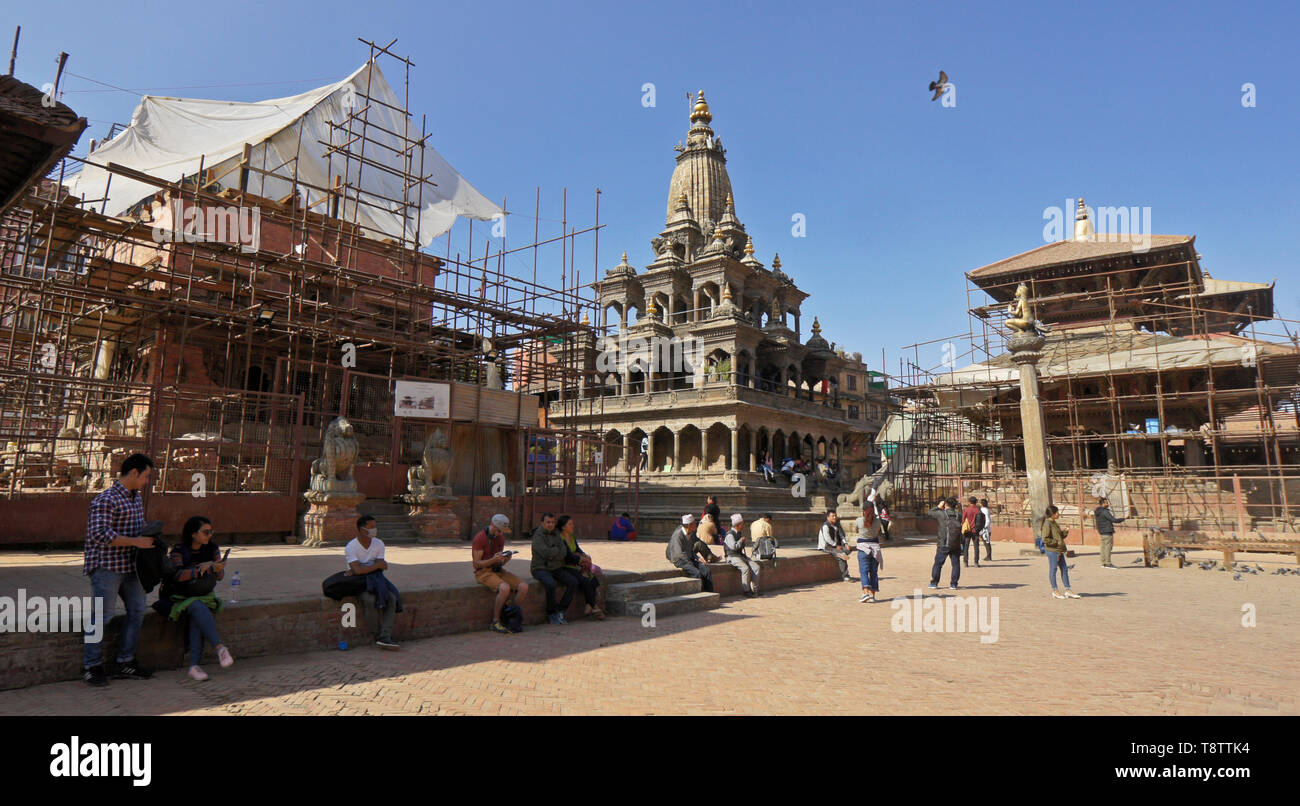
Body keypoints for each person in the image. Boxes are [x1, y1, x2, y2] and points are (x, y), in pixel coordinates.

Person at [82, 453, 156, 686]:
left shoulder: (135, 499)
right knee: (102, 617)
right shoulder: (107, 499)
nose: (146, 481)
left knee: (137, 612)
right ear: (134, 473)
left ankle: (125, 662)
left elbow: (138, 526)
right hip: (107, 567)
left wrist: (150, 534)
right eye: (145, 476)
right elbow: (100, 534)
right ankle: (91, 666)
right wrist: (136, 542)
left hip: (131, 567)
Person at [162, 516, 234, 680]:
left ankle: (194, 666)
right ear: (193, 534)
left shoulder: (212, 548)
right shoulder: (179, 550)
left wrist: (218, 567)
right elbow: (177, 576)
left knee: (197, 613)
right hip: (181, 595)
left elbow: (220, 577)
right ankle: (220, 648)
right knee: (195, 606)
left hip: (203, 594)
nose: (209, 535)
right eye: (206, 532)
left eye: (211, 532)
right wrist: (201, 570)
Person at [345, 515, 401, 650]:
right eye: (370, 527)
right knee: (369, 600)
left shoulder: (378, 543)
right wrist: (374, 566)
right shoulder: (351, 546)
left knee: (392, 598)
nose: (373, 530)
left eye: (374, 527)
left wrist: (363, 568)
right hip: (359, 582)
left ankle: (385, 635)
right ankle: (377, 635)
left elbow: (376, 567)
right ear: (361, 529)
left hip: (376, 579)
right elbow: (359, 571)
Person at [472, 514, 529, 634]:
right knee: (505, 588)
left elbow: (500, 563)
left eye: (503, 532)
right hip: (483, 572)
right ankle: (495, 621)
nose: (501, 534)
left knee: (523, 586)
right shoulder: (480, 538)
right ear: (492, 525)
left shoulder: (500, 538)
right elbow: (477, 564)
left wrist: (506, 559)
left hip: (497, 570)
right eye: (499, 531)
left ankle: (510, 614)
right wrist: (493, 560)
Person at [531, 512, 582, 625]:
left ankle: (561, 609)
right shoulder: (538, 535)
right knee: (550, 584)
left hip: (556, 567)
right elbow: (544, 552)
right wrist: (555, 552)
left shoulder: (556, 534)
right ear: (542, 523)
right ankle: (551, 613)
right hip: (540, 568)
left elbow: (564, 551)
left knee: (573, 582)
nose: (550, 524)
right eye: (548, 522)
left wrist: (553, 553)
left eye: (553, 522)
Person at [557, 515, 604, 619]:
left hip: (576, 564)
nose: (572, 526)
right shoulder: (560, 539)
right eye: (570, 524)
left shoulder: (571, 536)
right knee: (584, 580)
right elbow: (568, 556)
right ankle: (594, 606)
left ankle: (588, 604)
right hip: (566, 566)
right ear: (563, 527)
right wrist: (581, 560)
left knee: (593, 579)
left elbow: (577, 549)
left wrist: (585, 556)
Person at [666, 514, 714, 592]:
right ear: (690, 525)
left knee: (707, 571)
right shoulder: (678, 535)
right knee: (697, 573)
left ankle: (709, 593)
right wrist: (691, 563)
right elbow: (679, 554)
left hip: (689, 558)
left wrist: (698, 558)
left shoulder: (691, 533)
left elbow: (691, 550)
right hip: (679, 560)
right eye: (694, 523)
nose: (696, 524)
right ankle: (698, 593)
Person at [1042, 505, 1080, 599]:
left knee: (1064, 569)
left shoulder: (1054, 523)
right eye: (1057, 512)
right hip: (1053, 551)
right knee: (1053, 569)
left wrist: (1065, 531)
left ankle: (1068, 590)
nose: (1059, 514)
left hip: (1059, 550)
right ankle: (1055, 590)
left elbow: (1059, 536)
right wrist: (1057, 542)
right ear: (1053, 514)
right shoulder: (1047, 524)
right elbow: (1045, 539)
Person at [927, 497, 963, 590]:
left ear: (945, 504)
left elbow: (929, 513)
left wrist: (939, 506)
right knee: (955, 564)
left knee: (938, 564)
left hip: (943, 543)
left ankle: (934, 583)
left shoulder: (942, 514)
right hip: (955, 544)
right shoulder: (959, 515)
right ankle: (954, 584)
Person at [723, 513, 761, 596]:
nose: (743, 525)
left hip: (740, 556)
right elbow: (734, 547)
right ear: (738, 525)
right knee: (745, 569)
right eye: (742, 524)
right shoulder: (730, 535)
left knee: (756, 567)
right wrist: (741, 540)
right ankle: (746, 591)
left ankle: (755, 590)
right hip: (732, 556)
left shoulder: (738, 533)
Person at [856, 507, 884, 602]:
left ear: (863, 511)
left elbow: (856, 530)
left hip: (863, 547)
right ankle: (872, 595)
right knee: (873, 572)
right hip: (875, 548)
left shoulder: (859, 520)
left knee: (864, 571)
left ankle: (865, 593)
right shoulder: (877, 521)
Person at [817, 510, 853, 582]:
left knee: (848, 550)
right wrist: (836, 545)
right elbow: (827, 539)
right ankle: (845, 576)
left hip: (836, 546)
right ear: (828, 517)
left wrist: (845, 543)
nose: (834, 517)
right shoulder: (825, 526)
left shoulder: (837, 525)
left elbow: (841, 535)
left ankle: (840, 555)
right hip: (827, 547)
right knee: (842, 556)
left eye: (835, 515)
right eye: (832, 516)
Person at [1094, 497, 1125, 569]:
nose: (1108, 504)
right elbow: (1113, 520)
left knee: (1103, 548)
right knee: (1108, 548)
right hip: (1107, 531)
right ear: (1103, 503)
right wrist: (1122, 519)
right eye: (1106, 502)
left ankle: (1104, 562)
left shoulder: (1098, 511)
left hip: (1102, 531)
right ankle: (1108, 563)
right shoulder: (1105, 511)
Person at [961, 496, 983, 568]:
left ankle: (965, 562)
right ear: (976, 502)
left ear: (969, 502)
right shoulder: (978, 510)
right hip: (975, 530)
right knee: (976, 547)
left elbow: (963, 520)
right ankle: (976, 562)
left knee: (966, 546)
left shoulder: (966, 510)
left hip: (968, 530)